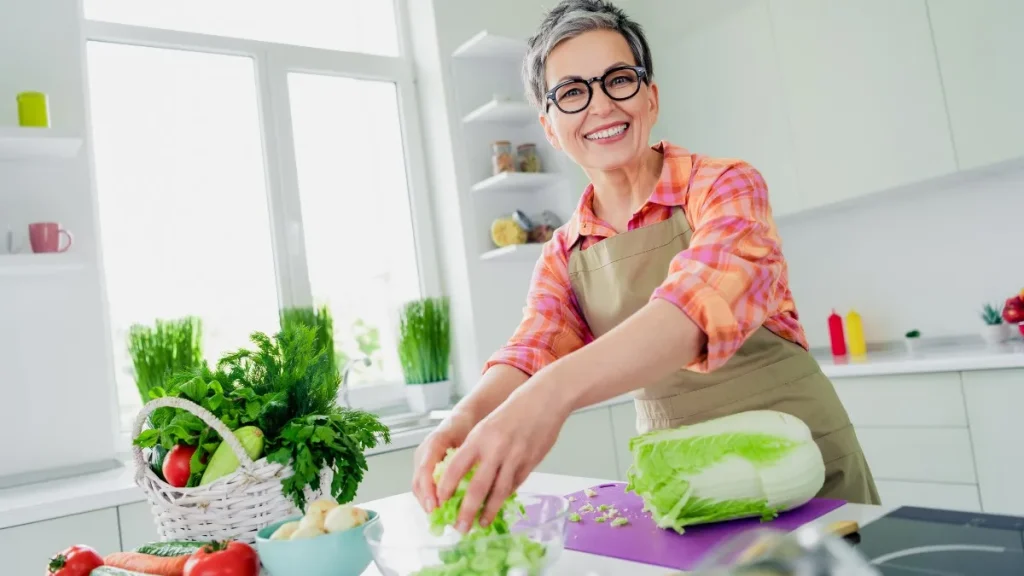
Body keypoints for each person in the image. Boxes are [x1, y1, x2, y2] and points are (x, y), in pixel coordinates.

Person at [412, 0, 880, 532]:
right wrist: (463, 419)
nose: (601, 105)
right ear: (549, 126)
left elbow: (695, 307)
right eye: (572, 92)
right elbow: (533, 349)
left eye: (619, 79)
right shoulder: (564, 253)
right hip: (685, 495)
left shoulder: (725, 186)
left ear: (650, 98)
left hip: (804, 474)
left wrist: (551, 396)